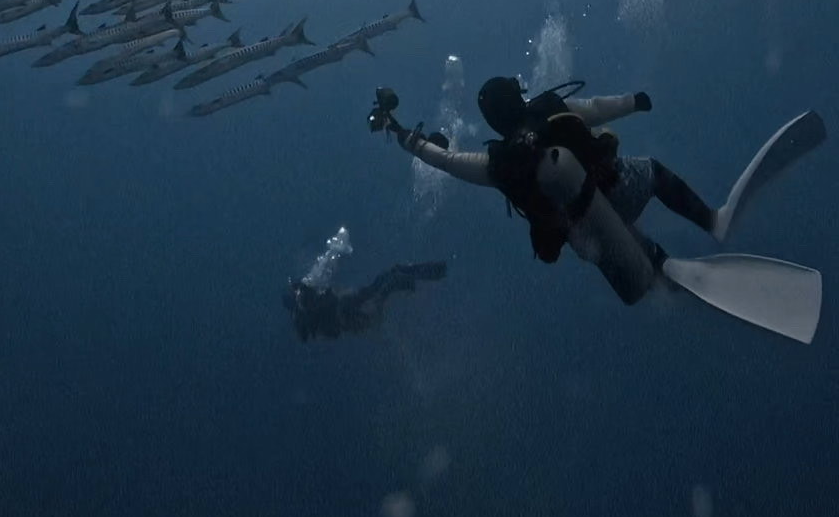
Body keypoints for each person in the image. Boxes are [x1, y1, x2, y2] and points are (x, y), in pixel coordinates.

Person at [368, 74, 717, 275]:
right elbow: (595, 109)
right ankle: (710, 219)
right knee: (654, 172)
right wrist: (634, 102)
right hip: (620, 191)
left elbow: (447, 160)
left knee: (617, 231)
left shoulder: (497, 164)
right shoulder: (549, 110)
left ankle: (662, 266)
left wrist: (408, 140)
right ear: (518, 98)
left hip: (586, 238)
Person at [284, 260, 447, 342]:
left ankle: (431, 273)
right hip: (353, 312)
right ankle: (433, 274)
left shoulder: (309, 308)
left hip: (354, 308)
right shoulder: (306, 309)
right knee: (390, 281)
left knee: (391, 277)